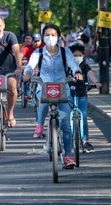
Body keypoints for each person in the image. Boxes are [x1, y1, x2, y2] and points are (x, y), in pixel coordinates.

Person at [23, 23, 83, 169]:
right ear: (43, 37)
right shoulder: (39, 53)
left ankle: (68, 155)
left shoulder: (65, 52)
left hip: (63, 89)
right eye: (47, 35)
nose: (50, 38)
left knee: (65, 124)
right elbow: (31, 65)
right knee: (42, 100)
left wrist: (77, 72)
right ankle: (39, 124)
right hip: (44, 87)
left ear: (58, 37)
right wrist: (28, 73)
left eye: (53, 35)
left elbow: (73, 64)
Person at [68, 41, 102, 153]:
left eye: (79, 55)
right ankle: (67, 139)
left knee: (83, 117)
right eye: (74, 55)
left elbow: (90, 74)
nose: (77, 57)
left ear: (83, 55)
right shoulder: (67, 67)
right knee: (66, 117)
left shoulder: (85, 66)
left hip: (82, 94)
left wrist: (96, 82)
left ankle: (85, 140)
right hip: (69, 94)